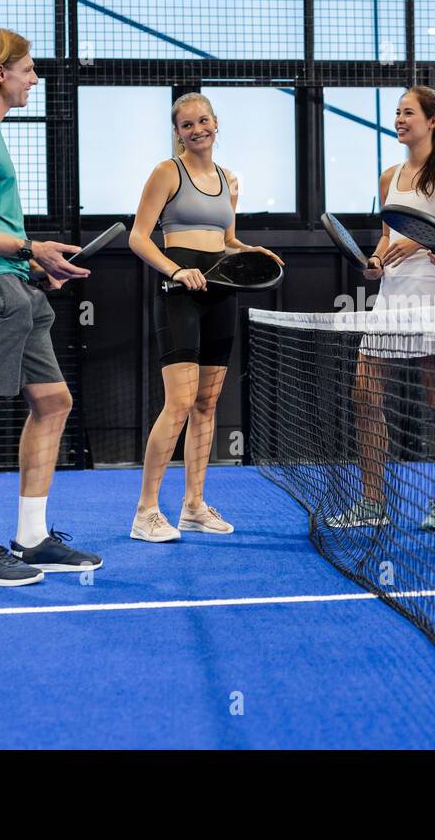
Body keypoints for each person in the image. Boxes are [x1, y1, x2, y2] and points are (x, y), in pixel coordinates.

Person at [0, 26, 103, 586]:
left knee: (53, 401)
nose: (36, 78)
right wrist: (30, 247)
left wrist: (34, 266)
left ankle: (30, 538)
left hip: (12, 287)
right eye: (28, 68)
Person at [127, 92, 283, 542]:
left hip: (222, 294)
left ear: (216, 123)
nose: (197, 130)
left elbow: (226, 238)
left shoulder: (230, 180)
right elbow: (139, 237)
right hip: (180, 293)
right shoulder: (166, 173)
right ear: (177, 132)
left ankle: (193, 505)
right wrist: (176, 269)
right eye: (186, 125)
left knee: (207, 404)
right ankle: (146, 511)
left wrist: (250, 251)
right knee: (178, 403)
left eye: (203, 121)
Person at [326, 86, 435, 531]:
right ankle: (373, 504)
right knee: (365, 396)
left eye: (408, 113)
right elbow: (387, 236)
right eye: (396, 113)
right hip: (391, 300)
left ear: (433, 120)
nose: (399, 119)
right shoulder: (388, 176)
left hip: (433, 297)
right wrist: (376, 261)